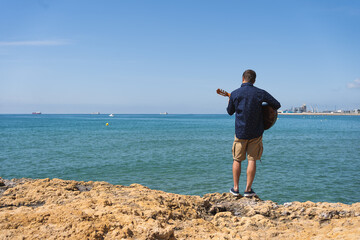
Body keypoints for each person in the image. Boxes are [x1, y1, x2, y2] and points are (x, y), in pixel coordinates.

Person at [226, 69, 281, 197]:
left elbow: (229, 111)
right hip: (256, 132)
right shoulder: (260, 93)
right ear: (254, 80)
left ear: (242, 78)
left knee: (237, 160)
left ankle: (235, 189)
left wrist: (230, 100)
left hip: (240, 132)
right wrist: (261, 108)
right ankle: (248, 190)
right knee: (252, 160)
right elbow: (276, 105)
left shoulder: (235, 94)